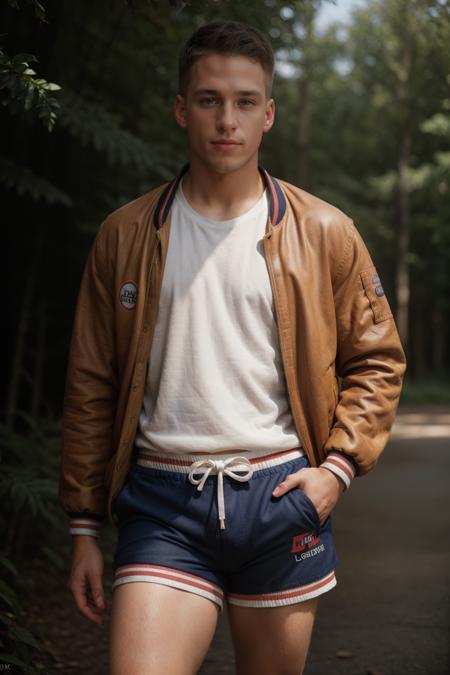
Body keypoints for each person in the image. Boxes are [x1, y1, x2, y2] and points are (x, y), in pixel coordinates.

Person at [59, 19, 406, 675]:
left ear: (268, 113)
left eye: (245, 101)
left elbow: (377, 359)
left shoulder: (326, 231)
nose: (227, 119)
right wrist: (83, 526)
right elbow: (90, 382)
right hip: (162, 503)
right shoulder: (124, 234)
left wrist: (334, 473)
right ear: (182, 108)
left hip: (282, 497)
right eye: (211, 100)